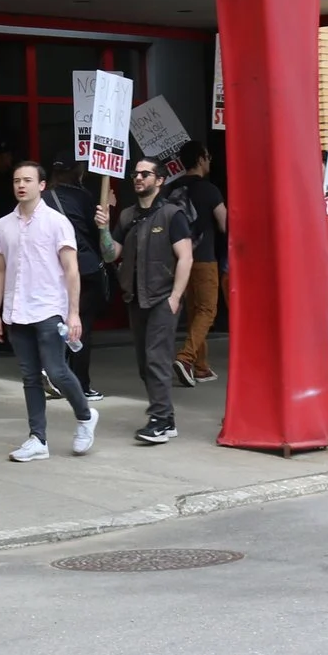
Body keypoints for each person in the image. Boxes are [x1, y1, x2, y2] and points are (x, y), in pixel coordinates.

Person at [0, 160, 97, 459]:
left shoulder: (56, 222)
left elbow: (71, 269)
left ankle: (85, 416)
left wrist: (73, 312)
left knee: (56, 370)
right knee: (29, 376)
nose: (21, 185)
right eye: (16, 180)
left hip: (49, 307)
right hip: (16, 309)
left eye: (27, 180)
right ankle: (38, 439)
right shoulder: (4, 224)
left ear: (42, 185)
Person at [101, 157, 195, 443]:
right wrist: (104, 227)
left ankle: (159, 420)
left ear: (160, 180)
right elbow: (110, 254)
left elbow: (186, 257)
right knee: (145, 363)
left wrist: (175, 297)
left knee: (157, 358)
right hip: (135, 297)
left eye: (145, 174)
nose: (138, 178)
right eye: (136, 174)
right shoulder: (128, 216)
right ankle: (166, 417)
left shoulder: (171, 214)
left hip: (162, 297)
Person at [42, 160, 110, 398]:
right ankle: (79, 383)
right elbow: (97, 233)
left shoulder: (43, 199)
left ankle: (54, 371)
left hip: (54, 269)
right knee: (81, 327)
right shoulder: (84, 197)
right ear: (77, 173)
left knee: (57, 323)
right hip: (84, 268)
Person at [169, 141, 227, 385]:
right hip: (203, 258)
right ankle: (185, 357)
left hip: (179, 260)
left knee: (195, 312)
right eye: (208, 156)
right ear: (202, 158)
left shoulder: (170, 190)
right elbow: (225, 224)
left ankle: (201, 367)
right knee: (207, 310)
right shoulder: (210, 190)